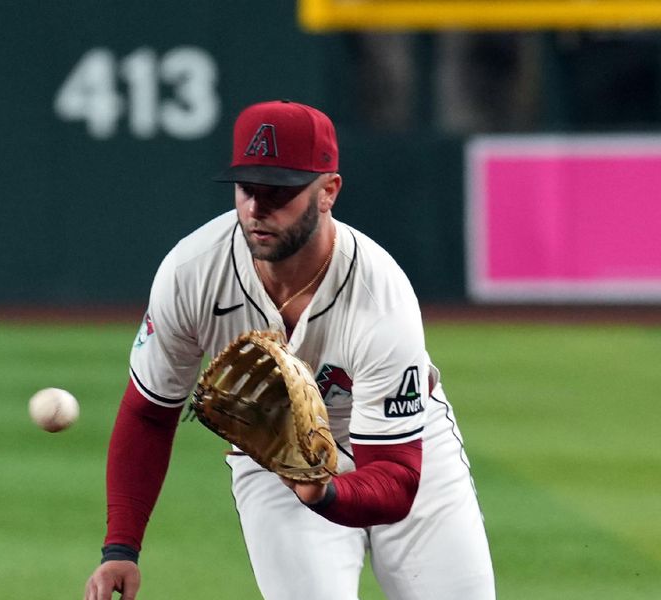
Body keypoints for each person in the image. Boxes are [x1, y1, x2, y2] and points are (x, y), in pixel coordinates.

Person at [84, 100, 495, 600]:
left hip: (399, 444)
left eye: (278, 191)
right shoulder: (191, 272)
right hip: (273, 454)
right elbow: (149, 413)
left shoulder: (380, 296)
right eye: (247, 188)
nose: (257, 207)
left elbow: (397, 475)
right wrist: (120, 548)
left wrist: (327, 493)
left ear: (328, 192)